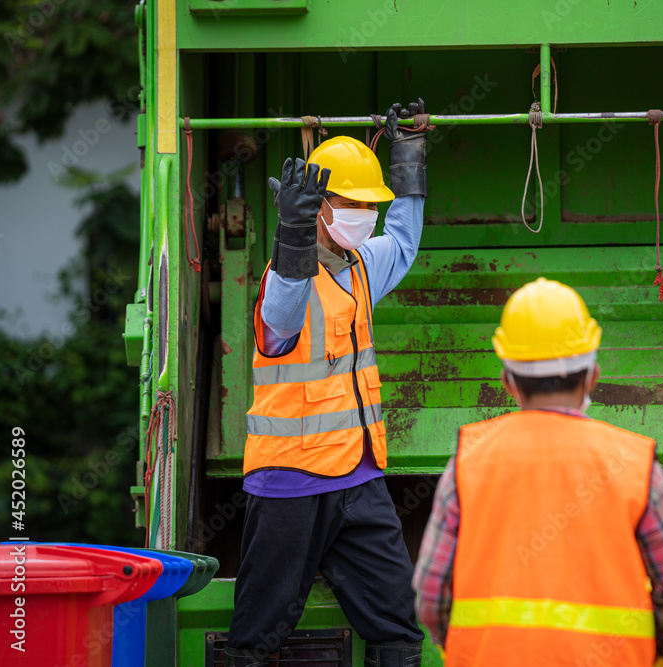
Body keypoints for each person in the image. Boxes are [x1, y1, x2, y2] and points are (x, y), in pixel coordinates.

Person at [226, 100, 430, 667]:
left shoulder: (362, 266)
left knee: (398, 629)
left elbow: (406, 242)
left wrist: (408, 158)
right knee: (256, 639)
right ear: (318, 209)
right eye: (353, 205)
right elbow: (285, 316)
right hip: (290, 483)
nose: (365, 216)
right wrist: (290, 230)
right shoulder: (284, 281)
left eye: (371, 207)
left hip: (359, 481)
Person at [413, 278, 663, 666]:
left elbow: (431, 594)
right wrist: (662, 647)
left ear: (508, 383)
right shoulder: (634, 463)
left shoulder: (468, 461)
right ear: (592, 378)